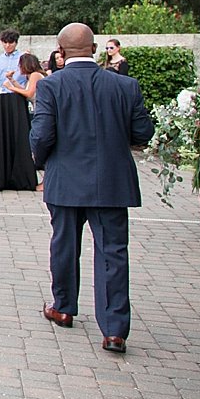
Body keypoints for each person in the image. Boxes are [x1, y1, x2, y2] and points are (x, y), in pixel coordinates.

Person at [31, 22, 154, 355]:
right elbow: (143, 132)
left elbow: (41, 135)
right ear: (95, 49)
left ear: (60, 52)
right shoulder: (125, 86)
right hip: (111, 180)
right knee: (113, 252)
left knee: (64, 245)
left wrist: (43, 163)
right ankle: (114, 330)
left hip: (66, 179)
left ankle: (64, 307)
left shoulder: (51, 86)